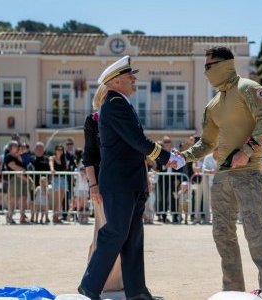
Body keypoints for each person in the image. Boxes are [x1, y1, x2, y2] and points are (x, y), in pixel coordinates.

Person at [78, 55, 181, 300]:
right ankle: (89, 287)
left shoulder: (120, 103)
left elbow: (135, 145)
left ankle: (136, 292)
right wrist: (167, 158)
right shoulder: (114, 104)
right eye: (129, 76)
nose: (134, 79)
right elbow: (138, 141)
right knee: (114, 233)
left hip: (129, 182)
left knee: (133, 238)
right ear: (114, 82)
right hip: (120, 184)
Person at [179, 46, 262, 291]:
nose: (205, 73)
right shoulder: (212, 105)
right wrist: (183, 158)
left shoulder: (249, 88)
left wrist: (247, 150)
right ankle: (233, 291)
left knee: (255, 232)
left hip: (249, 173)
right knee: (222, 235)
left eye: (208, 66)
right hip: (221, 177)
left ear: (225, 64)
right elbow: (207, 142)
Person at [82, 82, 124, 292]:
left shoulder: (122, 118)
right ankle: (95, 282)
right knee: (103, 232)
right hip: (101, 184)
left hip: (121, 183)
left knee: (119, 234)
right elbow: (89, 156)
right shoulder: (93, 121)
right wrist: (93, 185)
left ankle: (116, 282)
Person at [4, 140, 30, 224]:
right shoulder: (8, 156)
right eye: (15, 146)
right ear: (11, 147)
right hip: (14, 178)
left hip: (22, 178)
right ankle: (9, 217)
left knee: (23, 198)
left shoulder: (18, 156)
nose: (17, 147)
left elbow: (21, 165)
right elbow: (13, 166)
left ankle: (22, 217)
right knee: (13, 199)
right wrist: (24, 170)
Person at [49, 144, 68, 224]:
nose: (60, 151)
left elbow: (66, 168)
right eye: (58, 149)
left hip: (63, 179)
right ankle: (54, 217)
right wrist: (52, 169)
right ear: (55, 150)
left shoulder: (64, 159)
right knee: (57, 199)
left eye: (61, 149)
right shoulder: (52, 158)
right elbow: (51, 165)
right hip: (56, 179)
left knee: (61, 200)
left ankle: (56, 216)